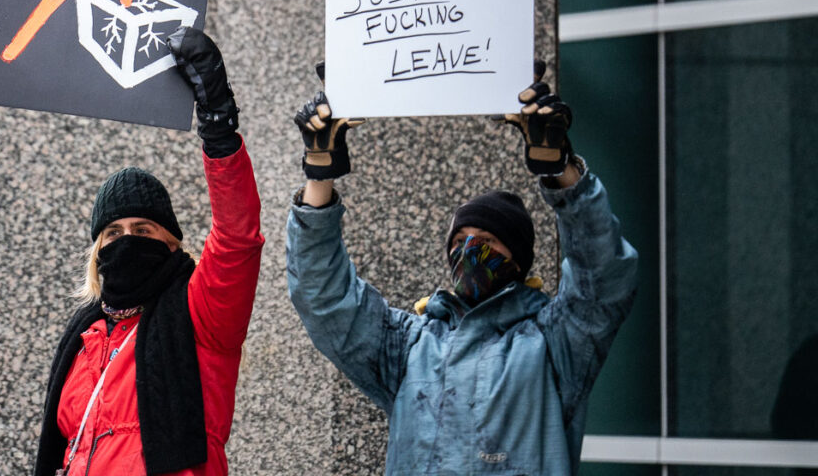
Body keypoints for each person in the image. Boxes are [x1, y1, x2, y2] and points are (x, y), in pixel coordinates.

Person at [286, 62, 638, 476]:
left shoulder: (555, 342)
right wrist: (319, 174)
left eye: (486, 242)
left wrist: (560, 168)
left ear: (519, 258)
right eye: (459, 243)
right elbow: (325, 299)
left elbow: (603, 274)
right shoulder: (407, 347)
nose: (470, 251)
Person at [34, 28, 263, 476]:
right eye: (114, 233)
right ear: (97, 250)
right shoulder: (87, 334)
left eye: (143, 228)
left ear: (171, 242)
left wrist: (218, 129)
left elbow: (238, 238)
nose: (128, 240)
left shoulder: (200, 313)